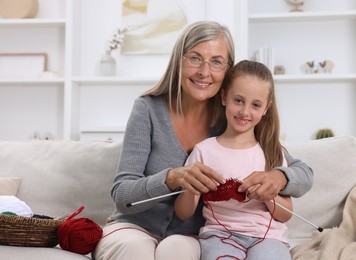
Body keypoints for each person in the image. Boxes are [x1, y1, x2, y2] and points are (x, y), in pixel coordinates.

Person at [93, 21, 313, 260]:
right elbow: (123, 196)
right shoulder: (148, 109)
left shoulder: (234, 118)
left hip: (188, 237)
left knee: (174, 250)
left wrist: (279, 177)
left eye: (216, 61)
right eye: (195, 58)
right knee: (135, 249)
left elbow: (303, 173)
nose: (204, 72)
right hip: (134, 228)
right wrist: (172, 178)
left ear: (228, 71)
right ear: (179, 60)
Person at [175, 60, 292, 260]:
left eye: (255, 105)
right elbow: (183, 213)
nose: (244, 112)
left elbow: (286, 214)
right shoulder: (204, 151)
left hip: (268, 237)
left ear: (266, 108)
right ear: (224, 97)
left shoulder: (272, 152)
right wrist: (192, 189)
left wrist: (267, 195)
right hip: (218, 235)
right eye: (238, 100)